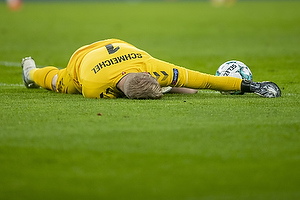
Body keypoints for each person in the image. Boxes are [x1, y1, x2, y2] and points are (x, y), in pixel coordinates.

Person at [21, 39, 281, 99]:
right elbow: (204, 81)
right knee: (57, 82)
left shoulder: (152, 66)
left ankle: (168, 88)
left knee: (189, 87)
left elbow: (205, 80)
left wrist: (251, 86)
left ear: (147, 75)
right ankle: (30, 72)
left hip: (121, 48)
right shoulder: (93, 87)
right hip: (81, 60)